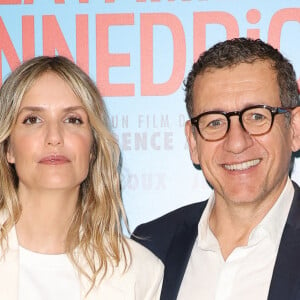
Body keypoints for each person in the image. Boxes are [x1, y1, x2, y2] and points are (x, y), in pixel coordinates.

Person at [132, 37, 300, 300]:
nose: (235, 143)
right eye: (214, 122)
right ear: (193, 142)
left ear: (294, 129)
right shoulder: (149, 245)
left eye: (257, 116)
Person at [0, 55, 163, 299]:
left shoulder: (139, 272)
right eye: (33, 119)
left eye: (72, 119)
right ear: (8, 148)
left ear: (93, 147)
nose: (54, 136)